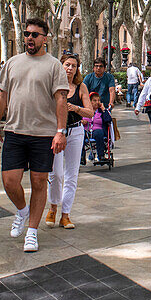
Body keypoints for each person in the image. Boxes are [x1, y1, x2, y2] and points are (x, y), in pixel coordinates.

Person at [0, 18, 68, 253]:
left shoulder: (54, 65)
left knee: (38, 182)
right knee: (9, 181)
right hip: (14, 130)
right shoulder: (12, 63)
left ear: (45, 38)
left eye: (34, 34)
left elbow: (61, 99)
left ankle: (32, 231)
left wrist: (60, 132)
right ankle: (22, 210)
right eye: (26, 34)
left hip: (43, 134)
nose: (29, 38)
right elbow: (1, 96)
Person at [46, 53, 93, 230]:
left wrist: (75, 108)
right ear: (61, 66)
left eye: (73, 65)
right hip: (56, 132)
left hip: (75, 131)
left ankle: (65, 215)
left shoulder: (81, 87)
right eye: (67, 64)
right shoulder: (53, 85)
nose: (70, 68)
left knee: (71, 175)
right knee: (56, 173)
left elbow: (90, 112)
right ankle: (53, 207)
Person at [84, 93, 111, 163]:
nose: (97, 102)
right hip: (86, 130)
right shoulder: (85, 110)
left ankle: (101, 155)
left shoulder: (101, 111)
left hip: (97, 130)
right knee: (80, 134)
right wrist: (82, 121)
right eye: (94, 100)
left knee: (99, 133)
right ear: (90, 101)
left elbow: (108, 120)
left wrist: (103, 109)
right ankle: (81, 157)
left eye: (98, 100)